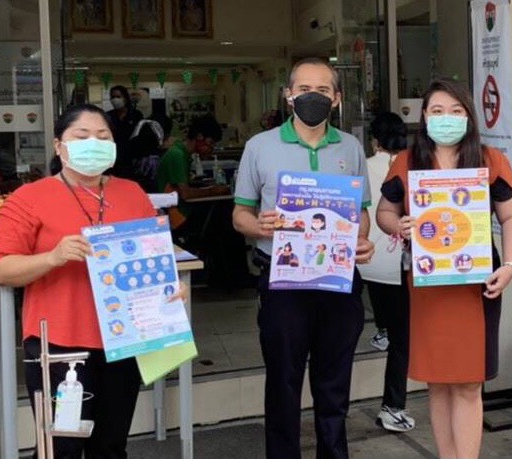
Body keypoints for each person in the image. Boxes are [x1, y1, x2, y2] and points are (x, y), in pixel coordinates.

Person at [0, 104, 187, 457]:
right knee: (60, 448)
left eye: (103, 136)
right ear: (59, 145)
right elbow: (0, 269)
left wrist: (169, 289)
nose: (94, 143)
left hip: (122, 341)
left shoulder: (132, 194)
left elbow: (153, 259)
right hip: (59, 347)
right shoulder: (30, 197)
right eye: (82, 136)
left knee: (110, 446)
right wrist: (53, 257)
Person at [232, 57, 375, 458]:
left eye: (323, 90)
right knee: (283, 380)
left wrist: (361, 239)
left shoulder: (350, 147)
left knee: (335, 382)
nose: (314, 97)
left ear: (337, 98)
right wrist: (259, 226)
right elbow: (239, 214)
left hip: (338, 279)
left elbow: (361, 211)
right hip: (283, 281)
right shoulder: (259, 147)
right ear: (288, 95)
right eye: (304, 89)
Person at [376, 78, 512, 459]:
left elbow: (511, 216)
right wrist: (398, 225)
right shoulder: (406, 162)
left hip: (477, 283)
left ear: (469, 117)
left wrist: (510, 265)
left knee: (469, 383)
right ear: (425, 117)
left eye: (456, 111)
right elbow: (385, 211)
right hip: (427, 282)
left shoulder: (491, 160)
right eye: (438, 111)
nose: (447, 118)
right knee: (438, 381)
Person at [356, 111, 415, 432]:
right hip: (399, 265)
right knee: (402, 341)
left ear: (374, 140)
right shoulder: (412, 168)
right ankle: (393, 407)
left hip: (366, 262)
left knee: (381, 312)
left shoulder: (362, 166)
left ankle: (382, 331)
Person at [156, 114, 252, 290]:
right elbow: (186, 194)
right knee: (228, 221)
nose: (211, 148)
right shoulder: (177, 155)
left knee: (226, 216)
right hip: (179, 217)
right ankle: (234, 277)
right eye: (210, 143)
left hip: (181, 212)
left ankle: (230, 276)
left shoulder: (183, 154)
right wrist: (213, 190)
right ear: (199, 137)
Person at [106, 85, 144, 179]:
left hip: (131, 159)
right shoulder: (108, 116)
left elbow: (140, 136)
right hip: (113, 159)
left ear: (125, 98)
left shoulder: (136, 115)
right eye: (113, 97)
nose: (115, 99)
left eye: (118, 96)